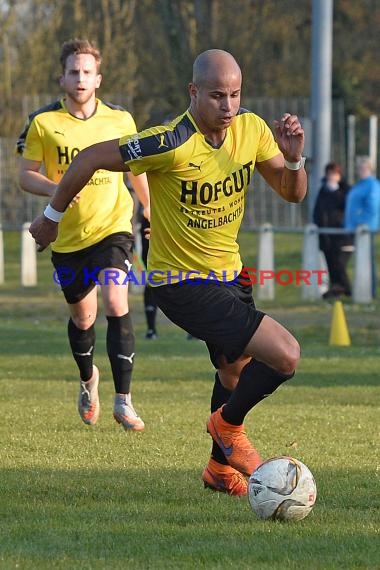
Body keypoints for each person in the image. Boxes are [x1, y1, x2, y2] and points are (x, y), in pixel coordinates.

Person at [29, 49, 307, 496]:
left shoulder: (252, 130)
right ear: (193, 92)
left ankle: (219, 470)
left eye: (236, 95)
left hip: (230, 277)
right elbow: (89, 158)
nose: (229, 106)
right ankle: (227, 427)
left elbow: (293, 195)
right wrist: (50, 216)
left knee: (234, 373)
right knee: (285, 354)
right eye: (217, 95)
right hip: (179, 283)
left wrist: (294, 160)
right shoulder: (167, 141)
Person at [16, 38, 150, 431]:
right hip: (68, 238)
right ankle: (88, 379)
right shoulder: (44, 122)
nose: (80, 78)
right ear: (62, 77)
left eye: (87, 72)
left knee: (114, 297)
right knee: (83, 317)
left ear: (99, 79)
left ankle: (124, 401)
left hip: (113, 228)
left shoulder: (121, 121)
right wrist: (56, 192)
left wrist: (151, 212)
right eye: (73, 71)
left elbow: (135, 170)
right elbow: (25, 175)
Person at [313, 162, 353, 299]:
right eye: (329, 173)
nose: (331, 176)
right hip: (326, 236)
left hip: (342, 236)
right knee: (331, 264)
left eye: (334, 173)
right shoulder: (322, 192)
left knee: (339, 264)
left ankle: (347, 290)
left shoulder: (346, 192)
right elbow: (318, 211)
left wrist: (335, 191)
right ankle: (336, 290)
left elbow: (347, 208)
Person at [345, 156, 380, 298]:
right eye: (359, 168)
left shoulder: (372, 185)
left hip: (365, 230)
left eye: (363, 168)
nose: (360, 170)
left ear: (370, 169)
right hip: (355, 229)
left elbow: (372, 207)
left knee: (367, 261)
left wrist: (362, 222)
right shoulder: (359, 185)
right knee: (360, 261)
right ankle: (361, 291)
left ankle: (369, 292)